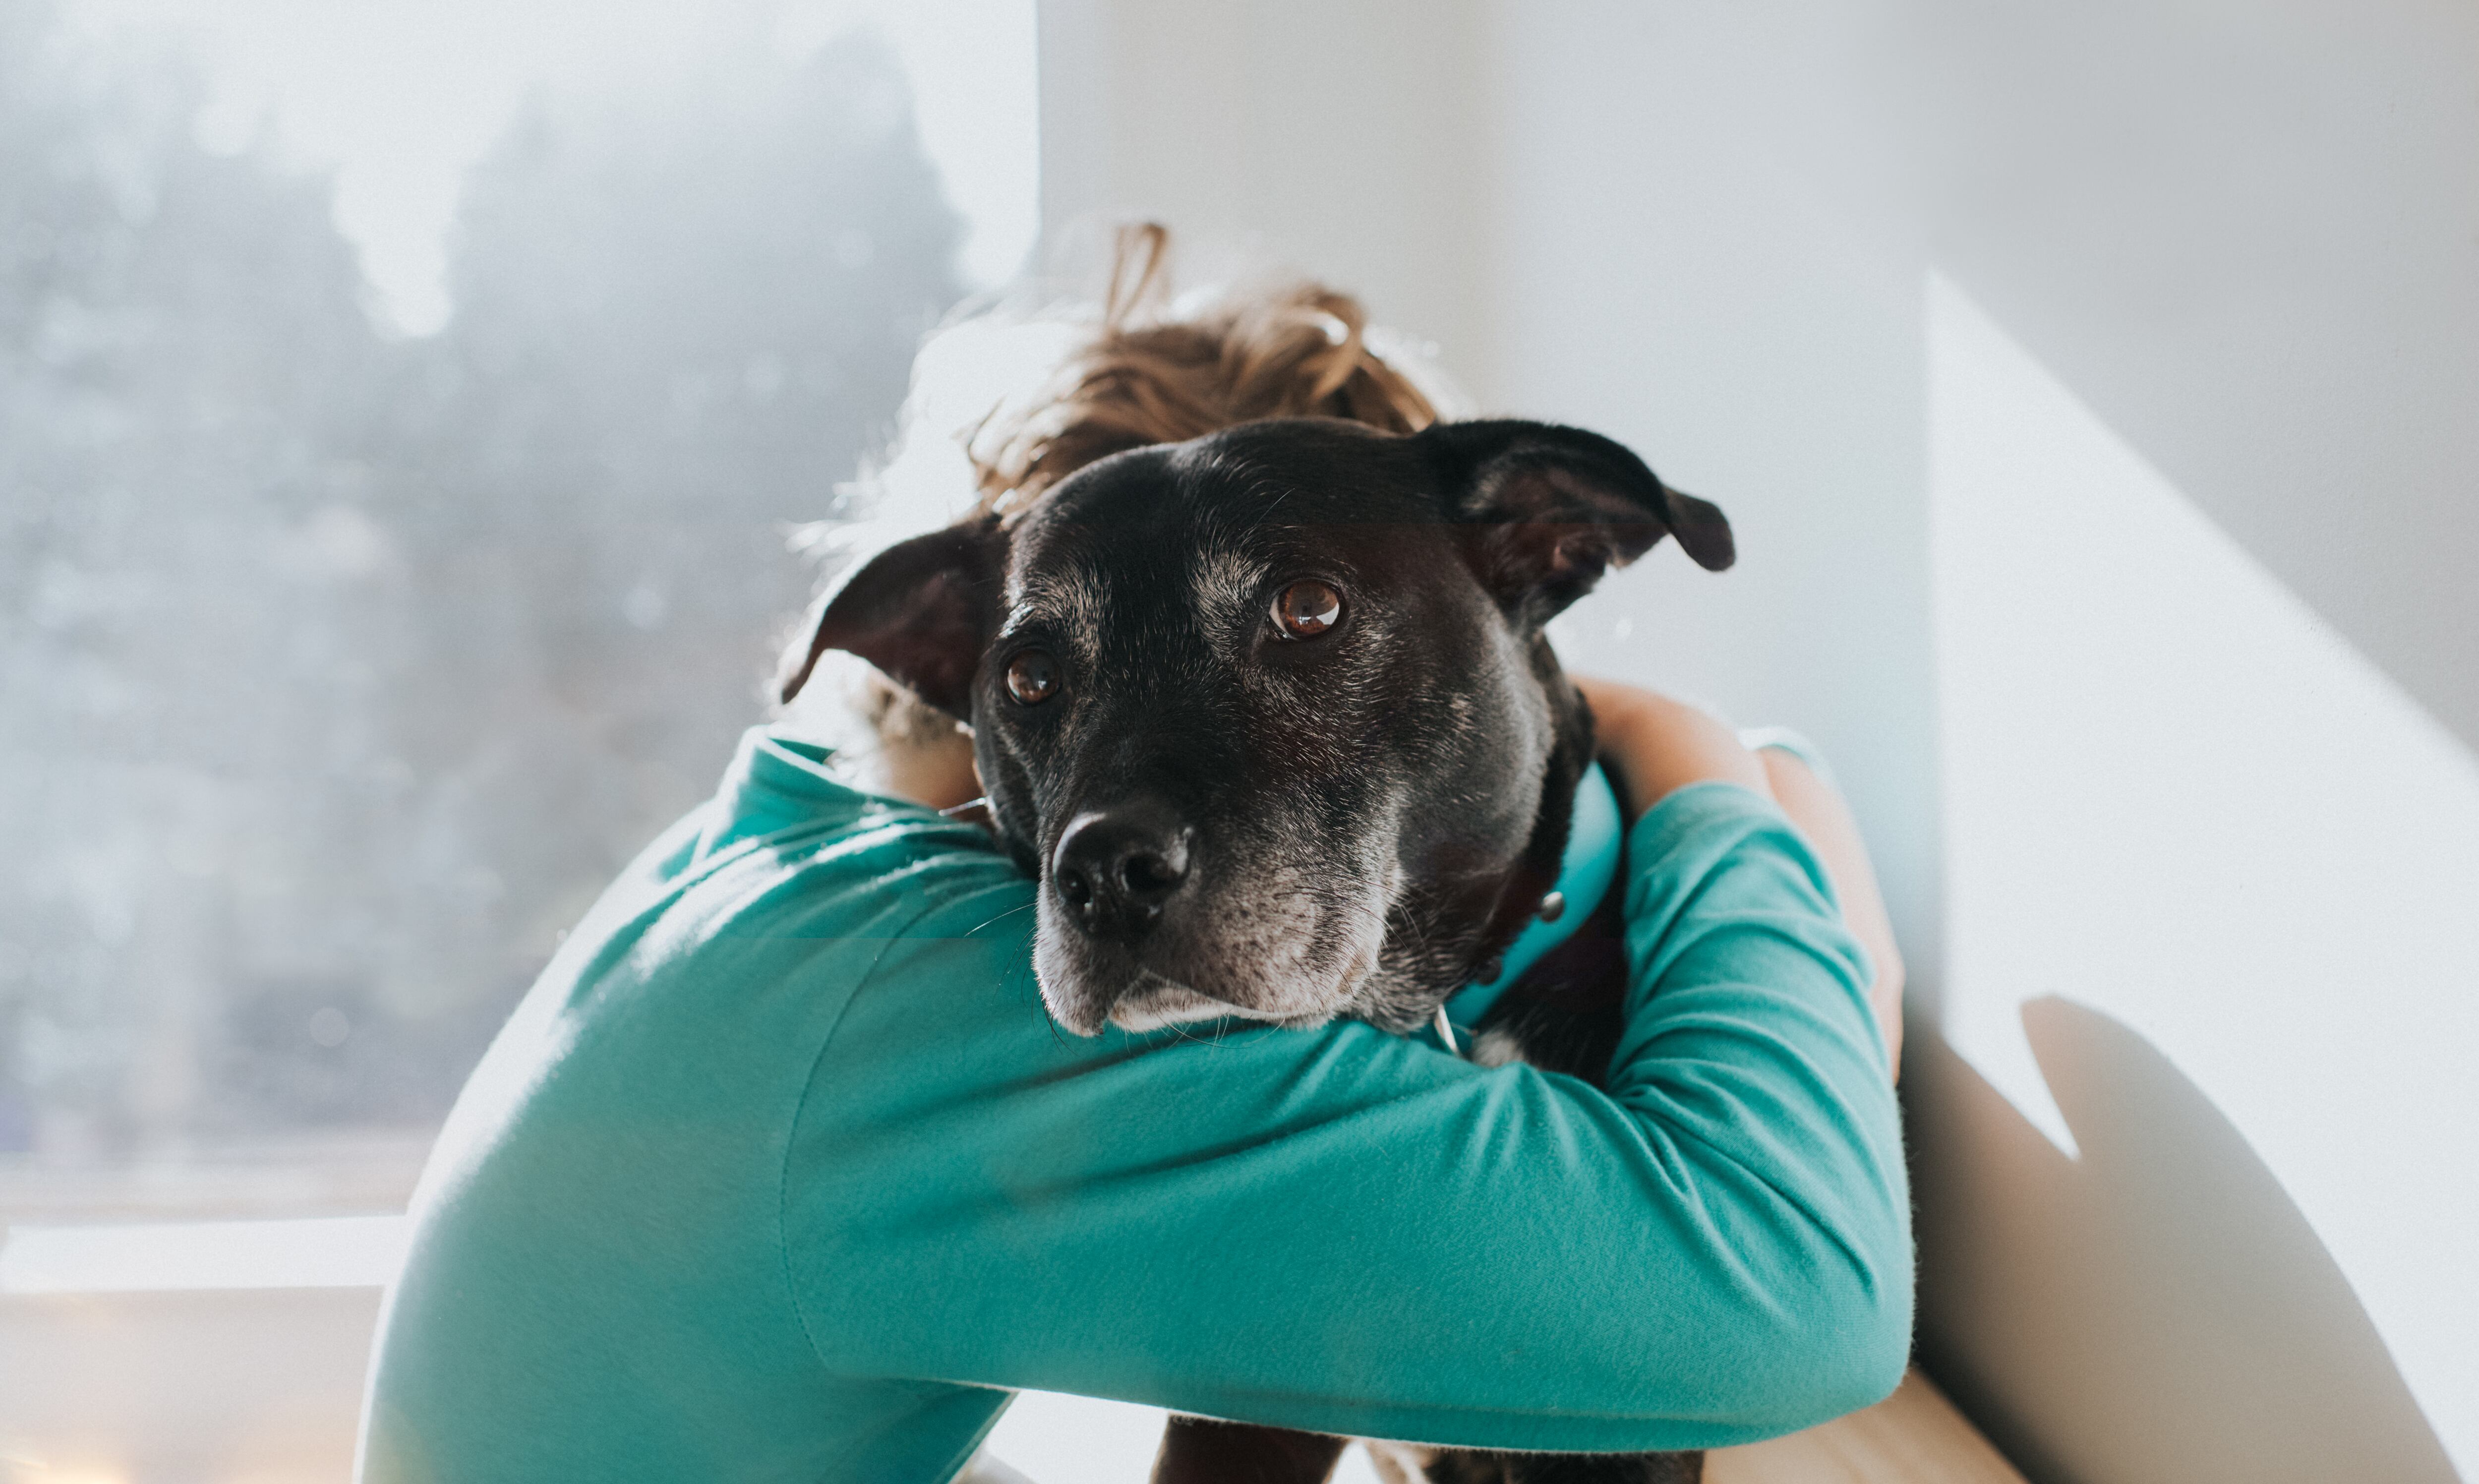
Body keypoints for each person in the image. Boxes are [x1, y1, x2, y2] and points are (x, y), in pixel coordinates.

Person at [354, 232, 1911, 1484]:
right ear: (948, 654)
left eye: (1298, 622)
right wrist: (1710, 766)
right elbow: (1798, 1294)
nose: (1130, 798)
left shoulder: (772, 873)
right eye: (1046, 676)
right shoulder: (934, 997)